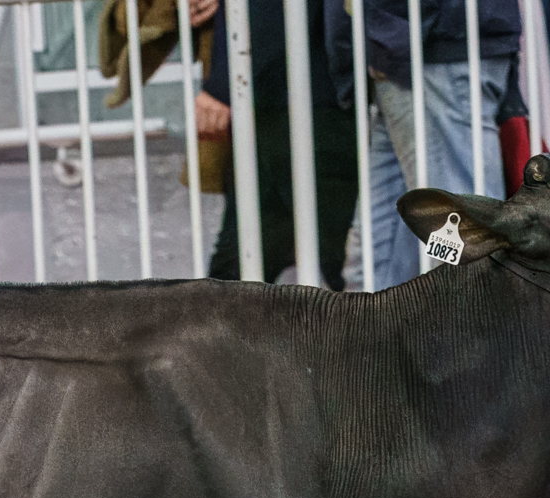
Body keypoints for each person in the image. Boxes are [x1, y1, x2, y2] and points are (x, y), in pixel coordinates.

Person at [324, 0, 523, 288]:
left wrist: (391, 30)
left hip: (426, 45)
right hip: (420, 46)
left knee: (459, 257)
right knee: (378, 267)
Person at [193, 0, 357, 286]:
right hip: (288, 96)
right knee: (243, 263)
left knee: (343, 256)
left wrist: (223, 84)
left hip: (304, 95)